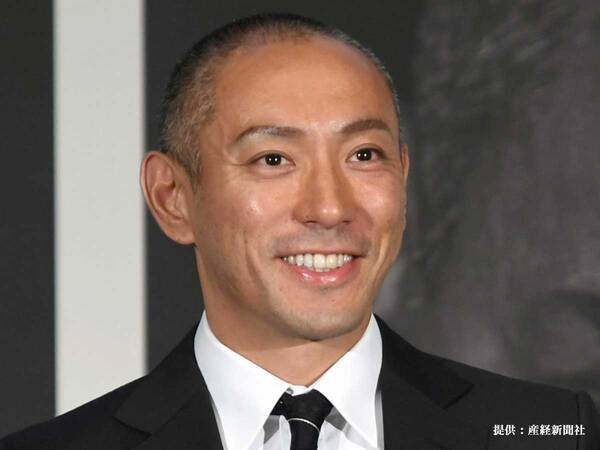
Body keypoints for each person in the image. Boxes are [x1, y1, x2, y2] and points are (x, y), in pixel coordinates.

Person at [1, 13, 598, 450]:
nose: (331, 208)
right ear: (172, 198)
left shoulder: (550, 432)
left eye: (364, 155)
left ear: (405, 176)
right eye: (274, 160)